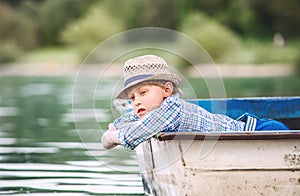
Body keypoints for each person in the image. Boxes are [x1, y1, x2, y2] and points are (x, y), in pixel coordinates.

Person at [101, 55, 289, 150]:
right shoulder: (150, 111)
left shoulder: (169, 111)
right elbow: (126, 121)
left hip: (259, 130)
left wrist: (111, 137)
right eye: (132, 97)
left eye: (143, 92)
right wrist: (114, 129)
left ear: (167, 91)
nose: (136, 101)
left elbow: (136, 132)